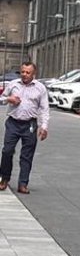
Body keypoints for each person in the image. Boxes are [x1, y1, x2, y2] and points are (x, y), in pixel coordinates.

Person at [0, 62, 50, 194]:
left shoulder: (40, 88)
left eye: (28, 72)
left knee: (27, 155)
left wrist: (44, 127)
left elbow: (44, 109)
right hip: (13, 123)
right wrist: (9, 99)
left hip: (30, 124)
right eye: (23, 72)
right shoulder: (13, 84)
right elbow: (1, 98)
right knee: (7, 151)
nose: (25, 75)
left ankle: (23, 183)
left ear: (34, 74)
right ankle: (4, 178)